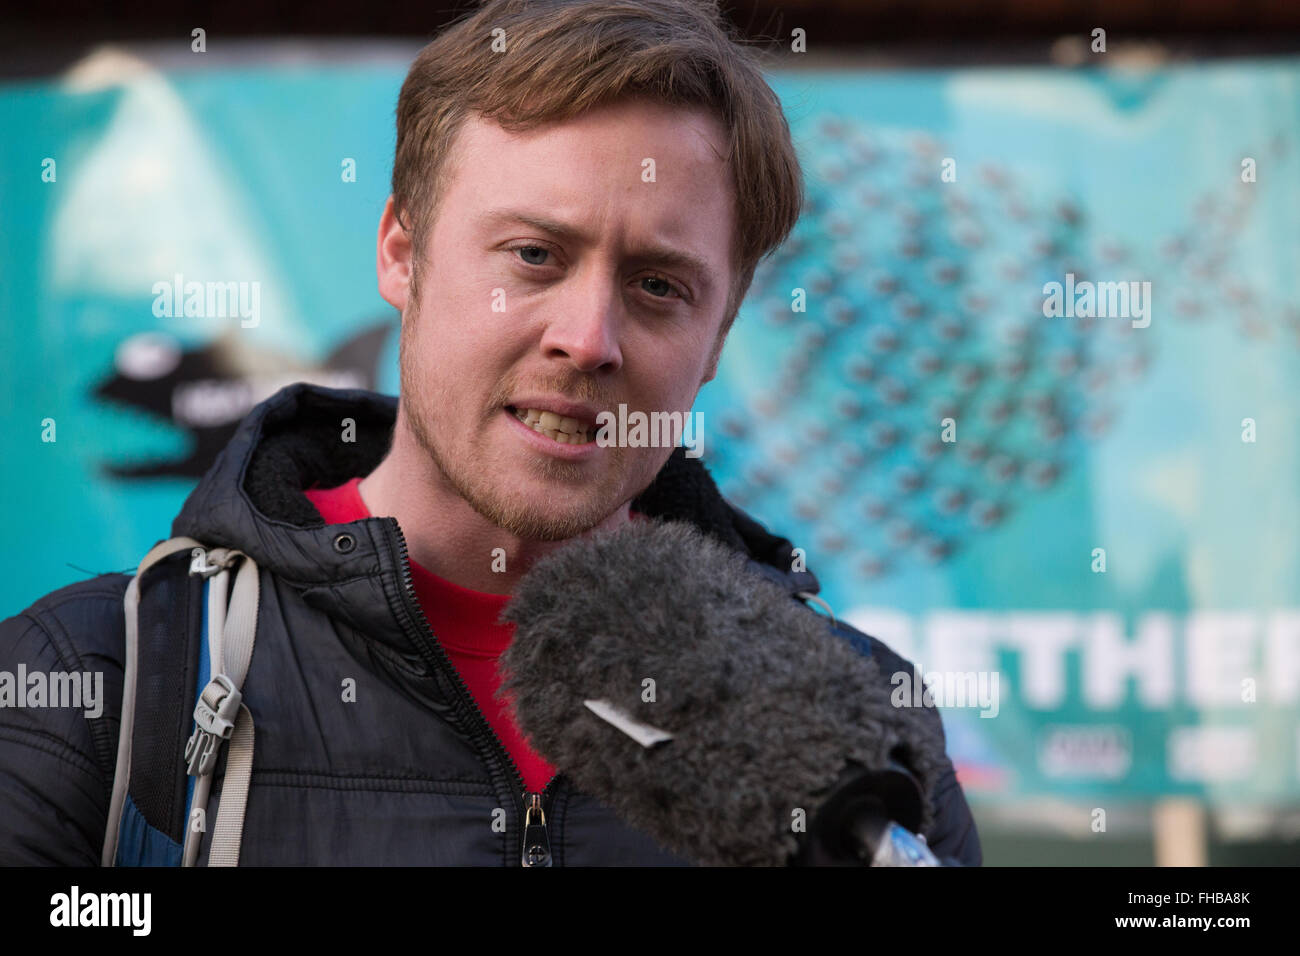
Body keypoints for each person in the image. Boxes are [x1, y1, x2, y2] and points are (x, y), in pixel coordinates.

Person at [0, 0, 982, 866]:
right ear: (402, 251)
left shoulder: (860, 734)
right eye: (534, 254)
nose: (586, 338)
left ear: (718, 332)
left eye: (657, 285)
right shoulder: (99, 683)